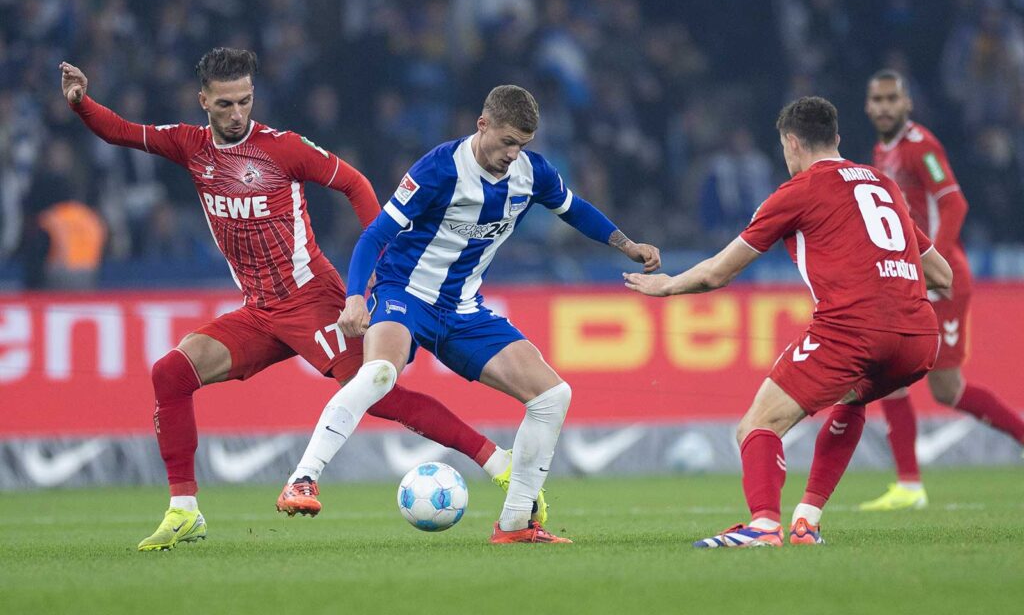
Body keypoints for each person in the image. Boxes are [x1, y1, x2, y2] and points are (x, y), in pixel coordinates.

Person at [60, 51, 520, 552]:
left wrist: (371, 283)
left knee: (376, 393)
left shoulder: (282, 148)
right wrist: (82, 103)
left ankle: (497, 461)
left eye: (245, 101)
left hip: (309, 298)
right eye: (225, 103)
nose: (237, 113)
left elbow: (354, 183)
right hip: (259, 310)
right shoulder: (190, 146)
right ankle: (183, 511)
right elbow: (121, 131)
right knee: (170, 373)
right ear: (203, 101)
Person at [278, 84, 661, 544]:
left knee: (553, 396)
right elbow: (374, 236)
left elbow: (574, 210)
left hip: (463, 308)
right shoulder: (438, 169)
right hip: (406, 294)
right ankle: (303, 478)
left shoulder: (531, 173)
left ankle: (516, 525)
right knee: (379, 373)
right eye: (507, 142)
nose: (513, 154)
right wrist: (356, 296)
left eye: (523, 145)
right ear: (483, 126)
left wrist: (627, 245)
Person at [625, 96, 952, 547]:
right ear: (836, 138)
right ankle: (806, 521)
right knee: (853, 399)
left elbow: (719, 272)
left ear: (792, 143)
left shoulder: (798, 191)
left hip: (852, 331)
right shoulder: (883, 185)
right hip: (920, 338)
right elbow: (943, 276)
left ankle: (763, 525)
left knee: (756, 425)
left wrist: (667, 286)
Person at [860, 70, 1024, 511]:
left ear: (908, 102)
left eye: (893, 98)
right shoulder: (882, 150)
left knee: (946, 390)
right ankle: (908, 485)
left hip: (941, 281)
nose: (885, 107)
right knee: (889, 375)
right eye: (877, 99)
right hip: (912, 280)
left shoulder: (922, 147)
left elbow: (954, 202)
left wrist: (937, 262)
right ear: (867, 106)